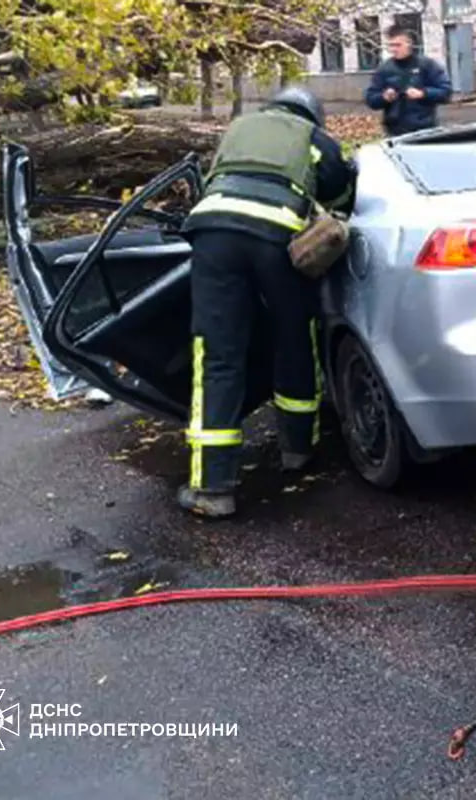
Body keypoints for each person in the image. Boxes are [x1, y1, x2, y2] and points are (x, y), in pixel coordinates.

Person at [176, 86, 357, 518]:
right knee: (295, 337)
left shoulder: (239, 127)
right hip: (278, 238)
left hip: (212, 233)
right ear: (313, 115)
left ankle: (212, 488)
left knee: (217, 356)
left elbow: (213, 178)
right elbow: (341, 196)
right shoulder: (315, 138)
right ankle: (297, 450)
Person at [364, 25, 452, 136]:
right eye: (390, 45)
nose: (393, 49)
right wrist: (384, 97)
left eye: (398, 45)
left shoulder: (427, 65)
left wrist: (423, 94)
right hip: (394, 131)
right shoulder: (384, 68)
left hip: (424, 129)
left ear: (409, 44)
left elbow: (446, 92)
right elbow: (370, 99)